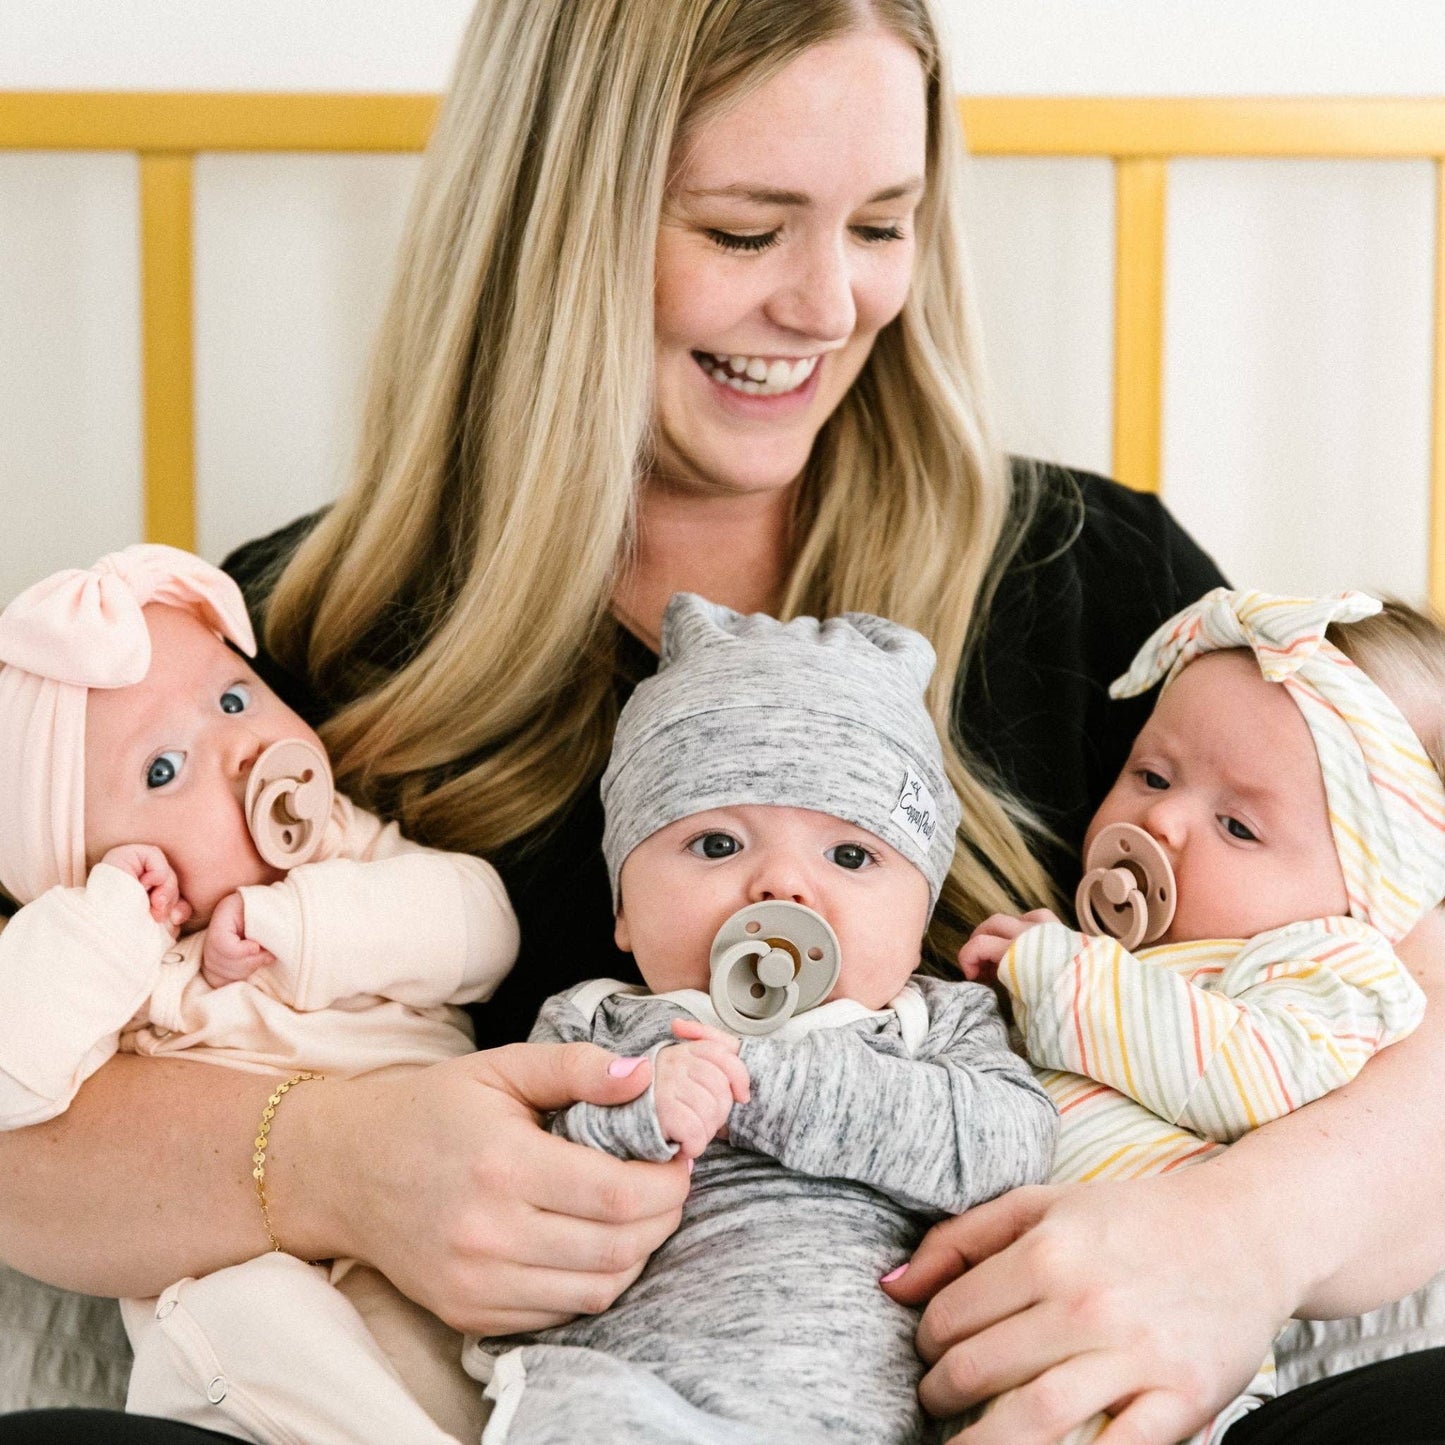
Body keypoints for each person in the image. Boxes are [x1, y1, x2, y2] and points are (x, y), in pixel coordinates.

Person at [3, 3, 1443, 1442]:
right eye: (745, 234)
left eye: (882, 226)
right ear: (556, 225)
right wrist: (321, 1159)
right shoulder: (277, 662)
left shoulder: (1094, 588)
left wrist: (1236, 1245)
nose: (827, 307)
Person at [462, 592, 1057, 1443]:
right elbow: (517, 1177)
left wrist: (765, 1081)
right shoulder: (598, 1025)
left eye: (850, 854)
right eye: (716, 844)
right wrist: (635, 1114)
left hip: (877, 1412)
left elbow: (1010, 1145)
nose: (780, 886)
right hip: (628, 1385)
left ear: (920, 915)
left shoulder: (932, 1025)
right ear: (622, 909)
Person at [0, 544, 519, 1442]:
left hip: (449, 1242)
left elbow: (483, 931)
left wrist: (300, 925)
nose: (239, 750)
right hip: (270, 1323)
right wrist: (110, 915)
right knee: (224, 1323)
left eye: (233, 697)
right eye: (164, 770)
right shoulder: (126, 966)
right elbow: (17, 1077)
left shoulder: (346, 851)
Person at [953, 588, 1445, 1443]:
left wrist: (1061, 974)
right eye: (1151, 773)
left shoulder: (1332, 967)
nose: (1163, 819)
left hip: (1154, 1359)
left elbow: (1248, 1076)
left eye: (1238, 825)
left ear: (1368, 891)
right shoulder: (1122, 962)